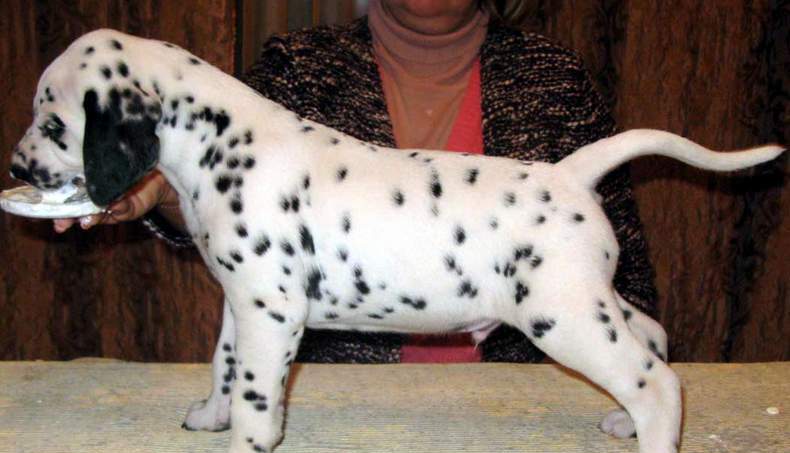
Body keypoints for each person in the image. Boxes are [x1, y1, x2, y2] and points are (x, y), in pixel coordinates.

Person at [54, 0, 658, 364]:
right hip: (344, 398)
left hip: (515, 397)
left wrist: (629, 349)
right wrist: (158, 188)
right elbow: (233, 213)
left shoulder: (556, 78)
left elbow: (610, 261)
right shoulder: (297, 67)